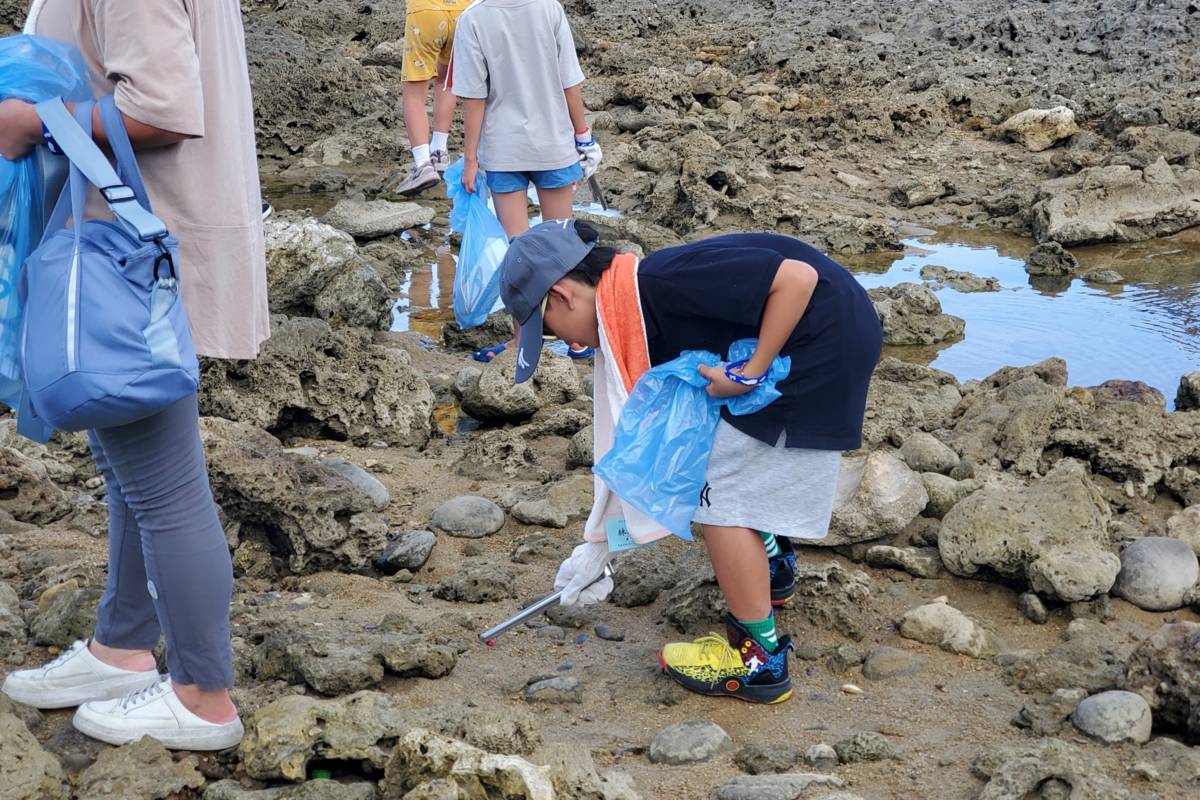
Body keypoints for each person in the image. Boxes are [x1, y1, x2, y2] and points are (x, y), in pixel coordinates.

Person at [0, 0, 269, 749]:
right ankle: (122, 648)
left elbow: (164, 107)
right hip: (136, 251)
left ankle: (202, 695)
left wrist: (30, 120)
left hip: (133, 255)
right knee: (130, 468)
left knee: (163, 483)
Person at [498, 220, 883, 704]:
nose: (571, 345)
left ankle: (756, 660)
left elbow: (798, 279)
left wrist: (751, 372)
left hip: (821, 345)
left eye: (553, 333)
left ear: (562, 296)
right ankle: (772, 566)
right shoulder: (636, 300)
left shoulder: (664, 281)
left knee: (719, 496)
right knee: (720, 456)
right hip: (819, 335)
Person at [450, 0, 601, 362]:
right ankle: (578, 337)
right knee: (563, 247)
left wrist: (470, 159)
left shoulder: (473, 19)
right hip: (554, 144)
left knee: (517, 252)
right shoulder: (549, 7)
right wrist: (584, 136)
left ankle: (521, 341)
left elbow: (473, 96)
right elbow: (570, 81)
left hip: (503, 150)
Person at [394, 0, 464, 195]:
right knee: (446, 81)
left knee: (414, 95)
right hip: (462, 13)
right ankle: (440, 152)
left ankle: (423, 163)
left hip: (425, 11)